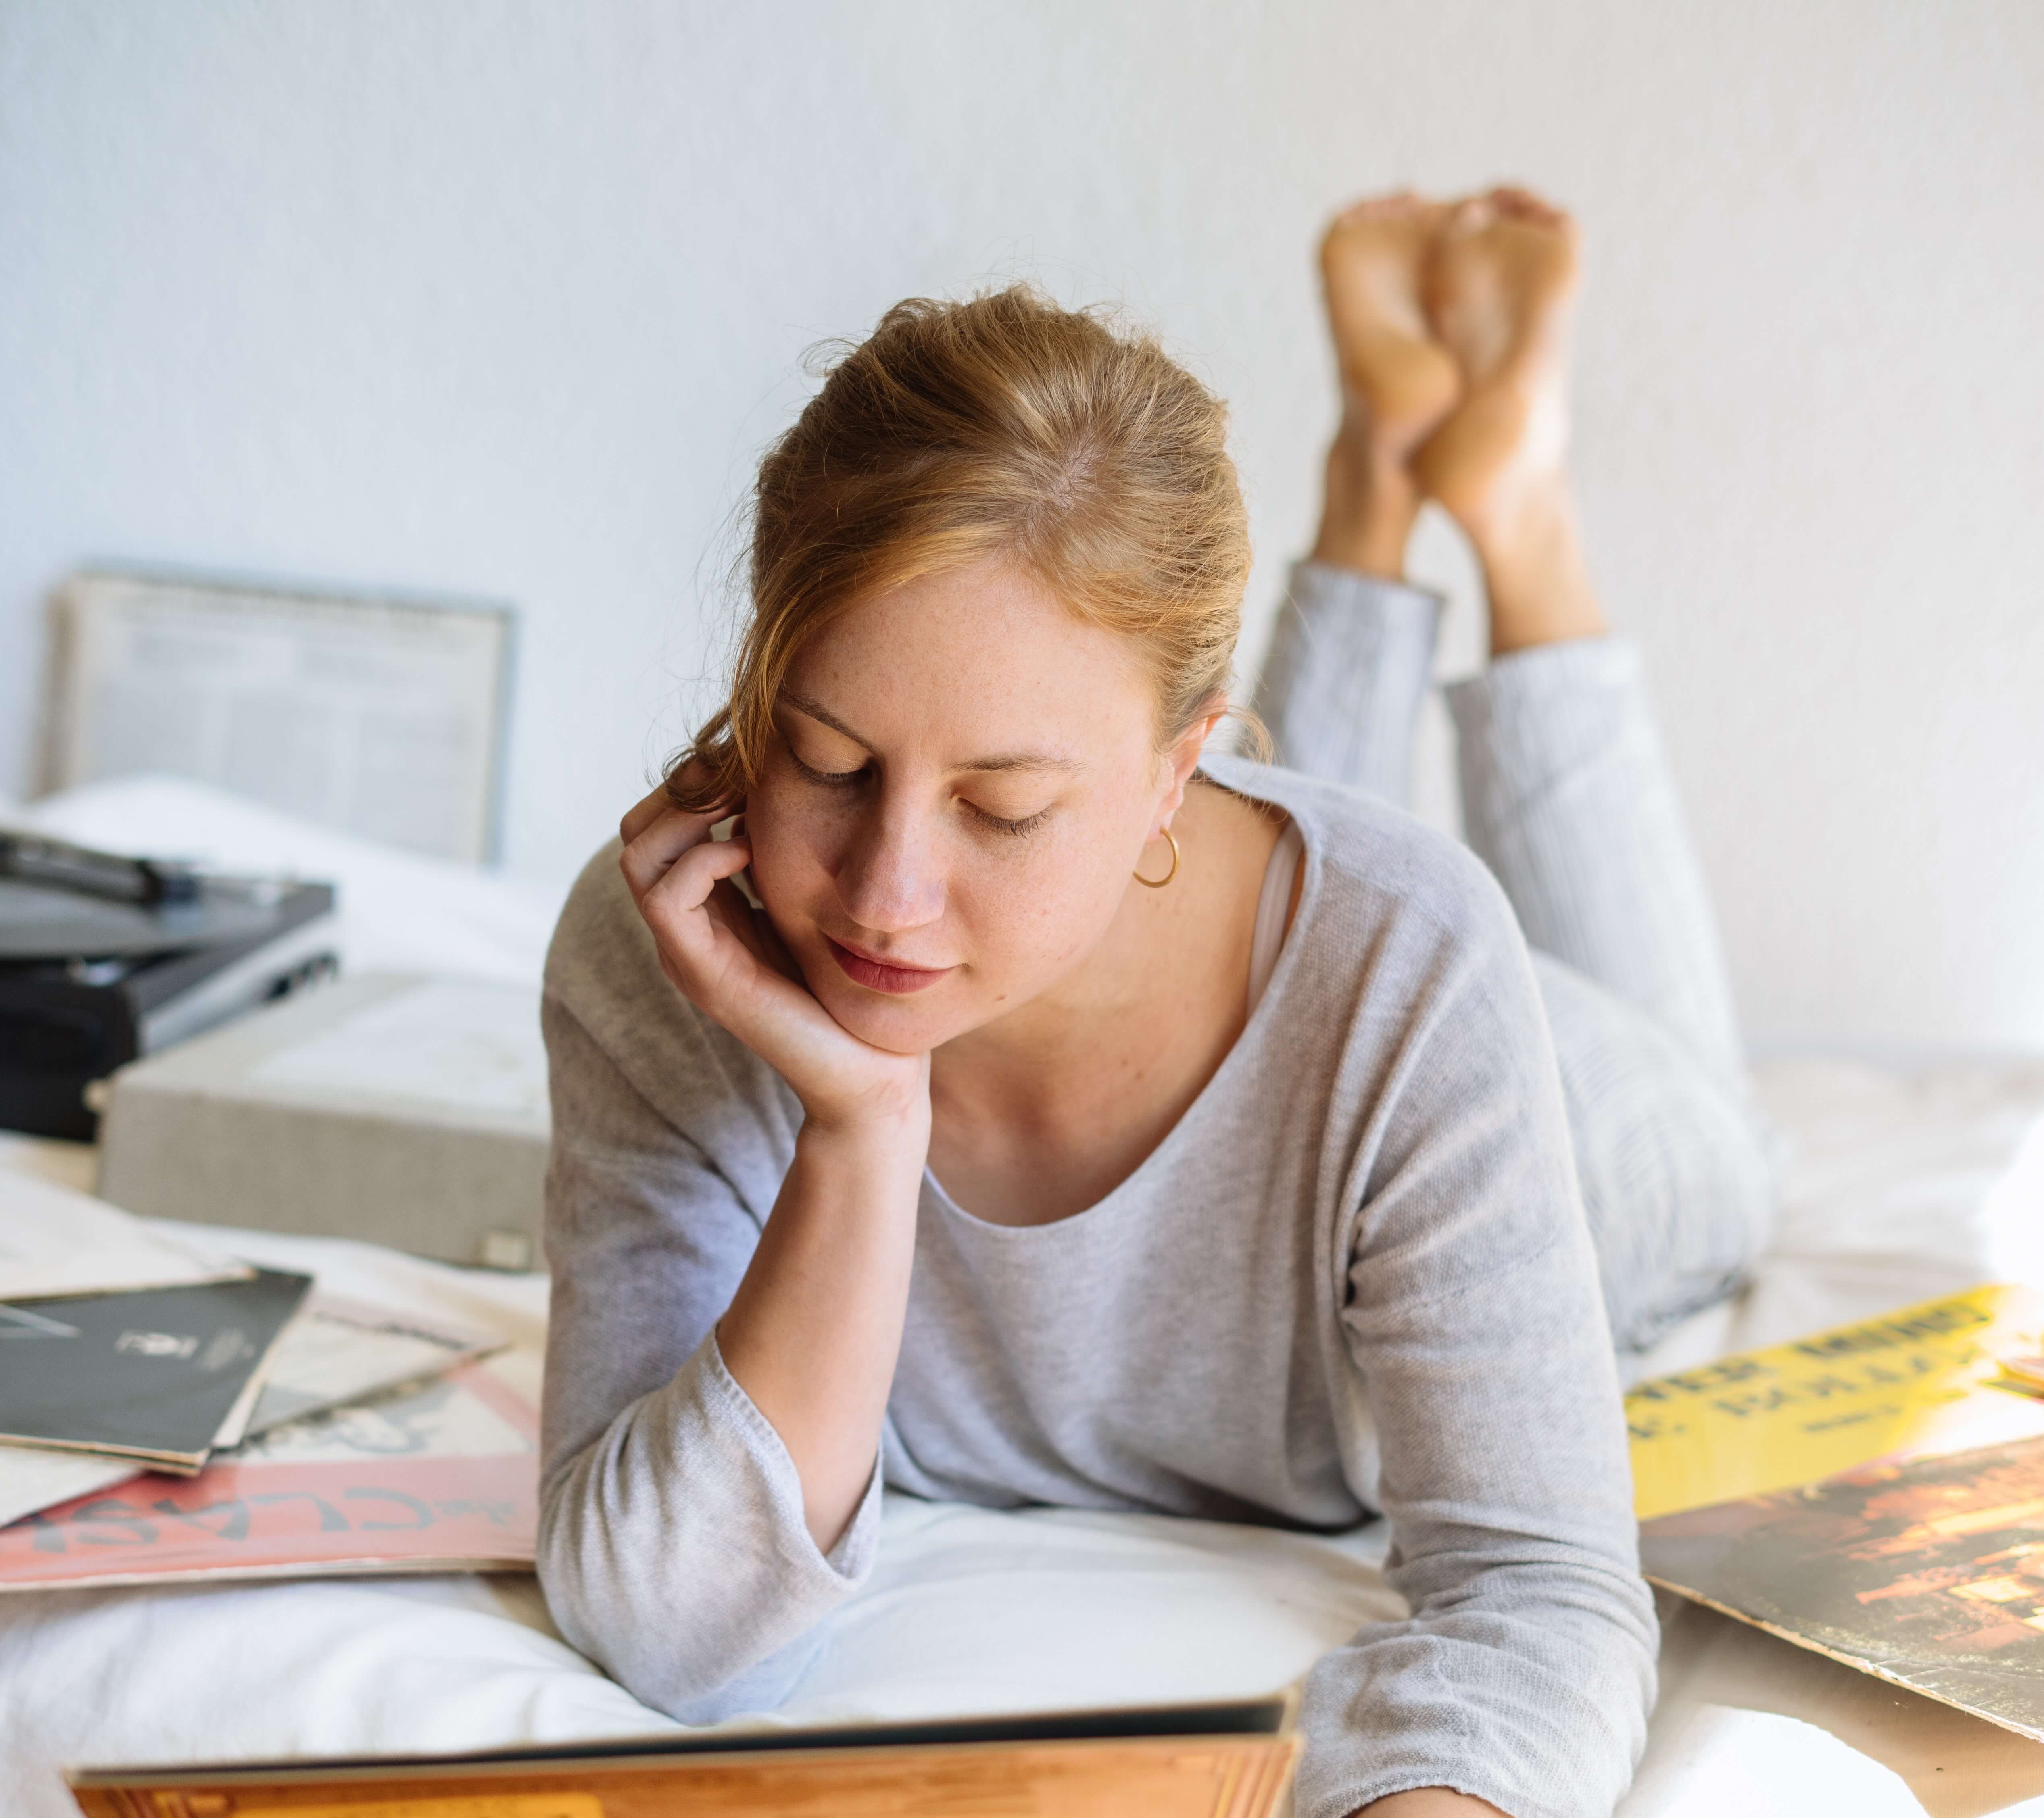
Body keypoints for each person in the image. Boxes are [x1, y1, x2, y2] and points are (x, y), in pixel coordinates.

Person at [536, 187, 1777, 1818]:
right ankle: (1374, 478)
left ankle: (1510, 510)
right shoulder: (674, 942)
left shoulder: (1410, 963)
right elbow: (669, 1626)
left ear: (1179, 771)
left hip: (1583, 1121)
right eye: (828, 760)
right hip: (1243, 879)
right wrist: (861, 1120)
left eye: (1003, 806)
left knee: (1726, 1152)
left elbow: (1537, 1591)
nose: (883, 893)